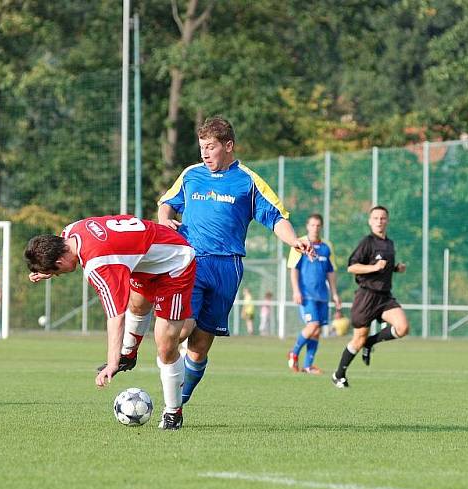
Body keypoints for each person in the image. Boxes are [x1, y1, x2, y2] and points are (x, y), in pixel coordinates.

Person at [100, 116, 313, 405]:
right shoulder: (191, 175)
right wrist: (166, 219)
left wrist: (294, 240)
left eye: (210, 147)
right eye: (202, 147)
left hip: (227, 268)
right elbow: (167, 203)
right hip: (188, 262)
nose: (204, 153)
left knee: (199, 347)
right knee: (181, 329)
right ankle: (164, 394)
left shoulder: (248, 182)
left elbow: (276, 217)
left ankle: (179, 400)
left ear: (228, 146)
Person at [24, 215, 196, 430]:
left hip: (175, 263)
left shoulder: (99, 263)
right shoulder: (70, 231)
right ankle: (129, 355)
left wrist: (112, 362)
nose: (59, 275)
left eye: (56, 272)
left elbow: (116, 317)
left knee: (166, 345)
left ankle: (173, 412)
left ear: (59, 261)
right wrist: (46, 271)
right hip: (146, 260)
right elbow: (57, 249)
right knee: (137, 304)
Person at [332, 206, 409, 388]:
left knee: (403, 327)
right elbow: (352, 267)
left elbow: (384, 267)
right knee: (358, 339)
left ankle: (370, 343)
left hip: (384, 297)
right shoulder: (367, 242)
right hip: (366, 296)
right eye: (375, 218)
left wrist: (396, 268)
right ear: (370, 221)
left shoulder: (389, 244)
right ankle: (339, 374)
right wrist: (374, 267)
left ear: (387, 220)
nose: (379, 221)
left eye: (382, 218)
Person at [287, 214, 341, 374]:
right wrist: (296, 290)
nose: (315, 228)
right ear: (307, 226)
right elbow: (294, 269)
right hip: (306, 294)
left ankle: (308, 365)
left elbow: (330, 272)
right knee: (313, 325)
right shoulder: (300, 244)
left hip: (322, 295)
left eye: (318, 225)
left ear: (321, 227)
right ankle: (293, 352)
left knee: (317, 331)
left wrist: (335, 293)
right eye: (312, 225)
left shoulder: (326, 246)